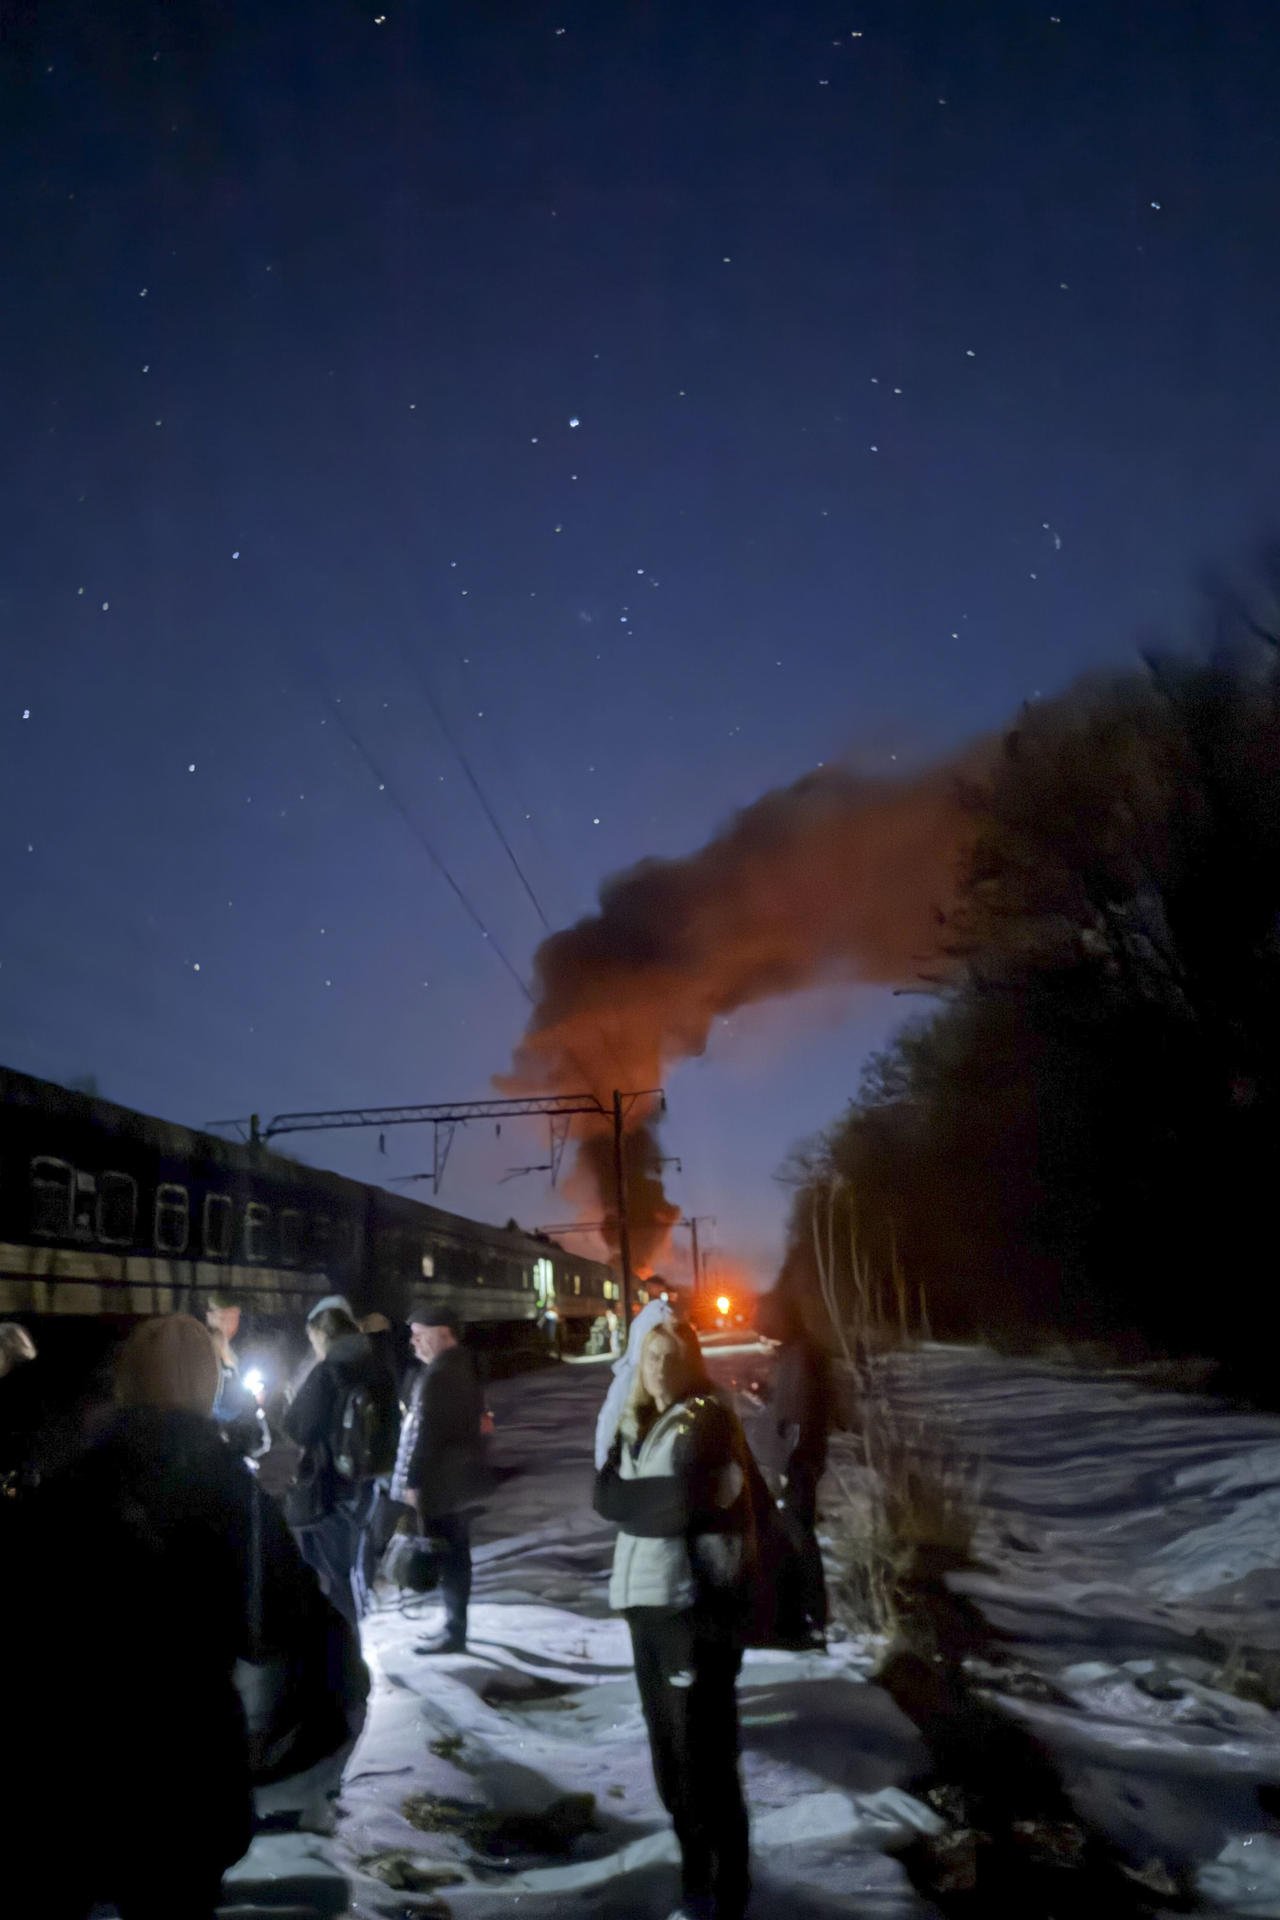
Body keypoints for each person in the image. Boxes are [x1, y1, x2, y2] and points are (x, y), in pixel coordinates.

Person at [5, 1314, 359, 1920]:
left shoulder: (72, 1480)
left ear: (127, 1382)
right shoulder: (230, 1489)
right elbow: (284, 1623)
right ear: (205, 1385)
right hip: (187, 1756)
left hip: (72, 1755)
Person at [594, 1301, 755, 1920]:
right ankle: (697, 1880)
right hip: (645, 1607)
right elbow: (603, 1496)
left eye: (672, 1357)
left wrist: (636, 1503)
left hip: (693, 1610)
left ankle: (726, 1890)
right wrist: (645, 1503)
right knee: (668, 1754)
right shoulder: (638, 1422)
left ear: (692, 1363)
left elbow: (682, 1505)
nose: (660, 1367)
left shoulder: (705, 1420)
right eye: (652, 1356)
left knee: (702, 1756)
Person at [283, 1297, 399, 1628]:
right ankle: (355, 1626)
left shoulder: (328, 1371)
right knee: (355, 1565)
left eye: (313, 1339)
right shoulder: (379, 1367)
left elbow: (296, 1427)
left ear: (322, 1334)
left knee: (335, 1577)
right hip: (370, 1485)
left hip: (331, 1489)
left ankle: (345, 1644)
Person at [391, 1300, 488, 1654]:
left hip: (441, 1483)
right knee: (456, 1555)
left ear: (443, 1334)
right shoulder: (458, 1367)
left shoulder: (441, 1375)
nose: (413, 1342)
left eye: (420, 1335)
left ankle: (453, 1632)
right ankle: (454, 1627)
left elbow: (428, 1435)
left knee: (450, 1558)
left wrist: (413, 1482)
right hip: (456, 1481)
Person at [755, 1292, 832, 1641]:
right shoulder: (795, 1353)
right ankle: (806, 1610)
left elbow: (799, 1417)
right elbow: (789, 1405)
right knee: (796, 1533)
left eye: (766, 1331)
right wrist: (766, 1395)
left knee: (798, 1535)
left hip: (798, 1463)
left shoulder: (800, 1357)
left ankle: (812, 1613)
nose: (764, 1339)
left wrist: (787, 1466)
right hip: (799, 1460)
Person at [206, 1290, 271, 1460]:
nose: (227, 1324)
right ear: (210, 1317)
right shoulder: (200, 1346)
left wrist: (259, 1391)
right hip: (211, 1421)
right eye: (222, 1318)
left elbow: (261, 1377)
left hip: (241, 1420)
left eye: (232, 1318)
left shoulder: (247, 1345)